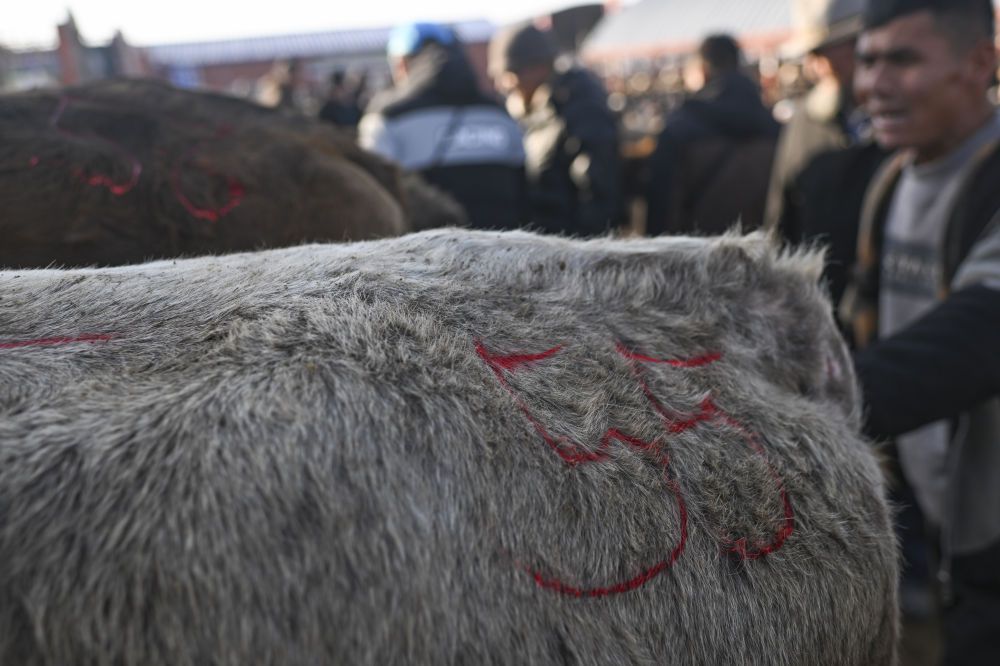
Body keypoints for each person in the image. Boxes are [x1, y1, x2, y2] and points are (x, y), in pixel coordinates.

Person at [844, 1, 1000, 663]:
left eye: (902, 59)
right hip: (943, 521)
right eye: (868, 59)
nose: (873, 82)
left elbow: (978, 334)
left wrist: (794, 405)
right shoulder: (890, 181)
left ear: (981, 64)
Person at [765, 0, 888, 308]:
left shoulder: (902, 118)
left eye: (822, 51)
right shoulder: (805, 120)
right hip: (819, 302)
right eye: (812, 54)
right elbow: (782, 215)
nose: (814, 65)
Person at [358, 22, 527, 231]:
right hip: (507, 251)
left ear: (403, 64)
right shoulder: (500, 115)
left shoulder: (387, 119)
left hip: (427, 258)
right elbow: (527, 189)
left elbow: (374, 198)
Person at [488, 22, 623, 236]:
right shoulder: (536, 112)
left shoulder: (580, 110)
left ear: (539, 67)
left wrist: (582, 255)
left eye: (509, 74)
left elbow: (598, 193)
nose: (504, 85)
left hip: (569, 250)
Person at [644, 34, 780, 237]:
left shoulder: (679, 129)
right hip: (757, 254)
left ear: (702, 70)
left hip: (695, 257)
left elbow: (661, 210)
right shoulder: (773, 127)